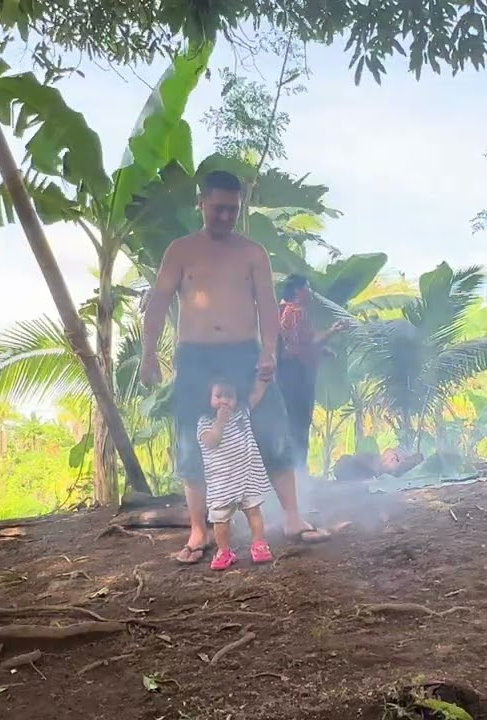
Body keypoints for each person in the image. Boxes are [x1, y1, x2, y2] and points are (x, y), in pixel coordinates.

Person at [141, 169, 330, 565]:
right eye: (217, 208)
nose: (225, 216)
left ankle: (293, 518)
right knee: (193, 442)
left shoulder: (252, 253)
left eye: (232, 210)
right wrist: (148, 353)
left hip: (245, 353)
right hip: (194, 355)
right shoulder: (180, 250)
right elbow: (158, 302)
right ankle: (199, 531)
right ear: (201, 203)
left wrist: (269, 353)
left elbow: (266, 305)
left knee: (271, 430)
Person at [197, 377, 273, 570]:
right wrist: (220, 423)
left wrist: (264, 379)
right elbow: (210, 442)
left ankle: (259, 544)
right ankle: (224, 551)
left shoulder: (241, 414)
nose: (224, 400)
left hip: (247, 475)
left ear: (237, 399)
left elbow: (255, 396)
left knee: (254, 511)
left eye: (229, 396)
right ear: (208, 399)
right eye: (218, 396)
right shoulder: (204, 422)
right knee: (221, 519)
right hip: (221, 481)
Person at [276, 274, 349, 472]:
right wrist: (333, 331)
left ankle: (295, 473)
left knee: (293, 424)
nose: (310, 293)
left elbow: (297, 343)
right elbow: (305, 344)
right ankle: (297, 473)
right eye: (307, 288)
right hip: (296, 377)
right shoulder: (295, 312)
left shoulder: (283, 311)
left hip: (287, 377)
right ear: (298, 291)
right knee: (298, 425)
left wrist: (322, 350)